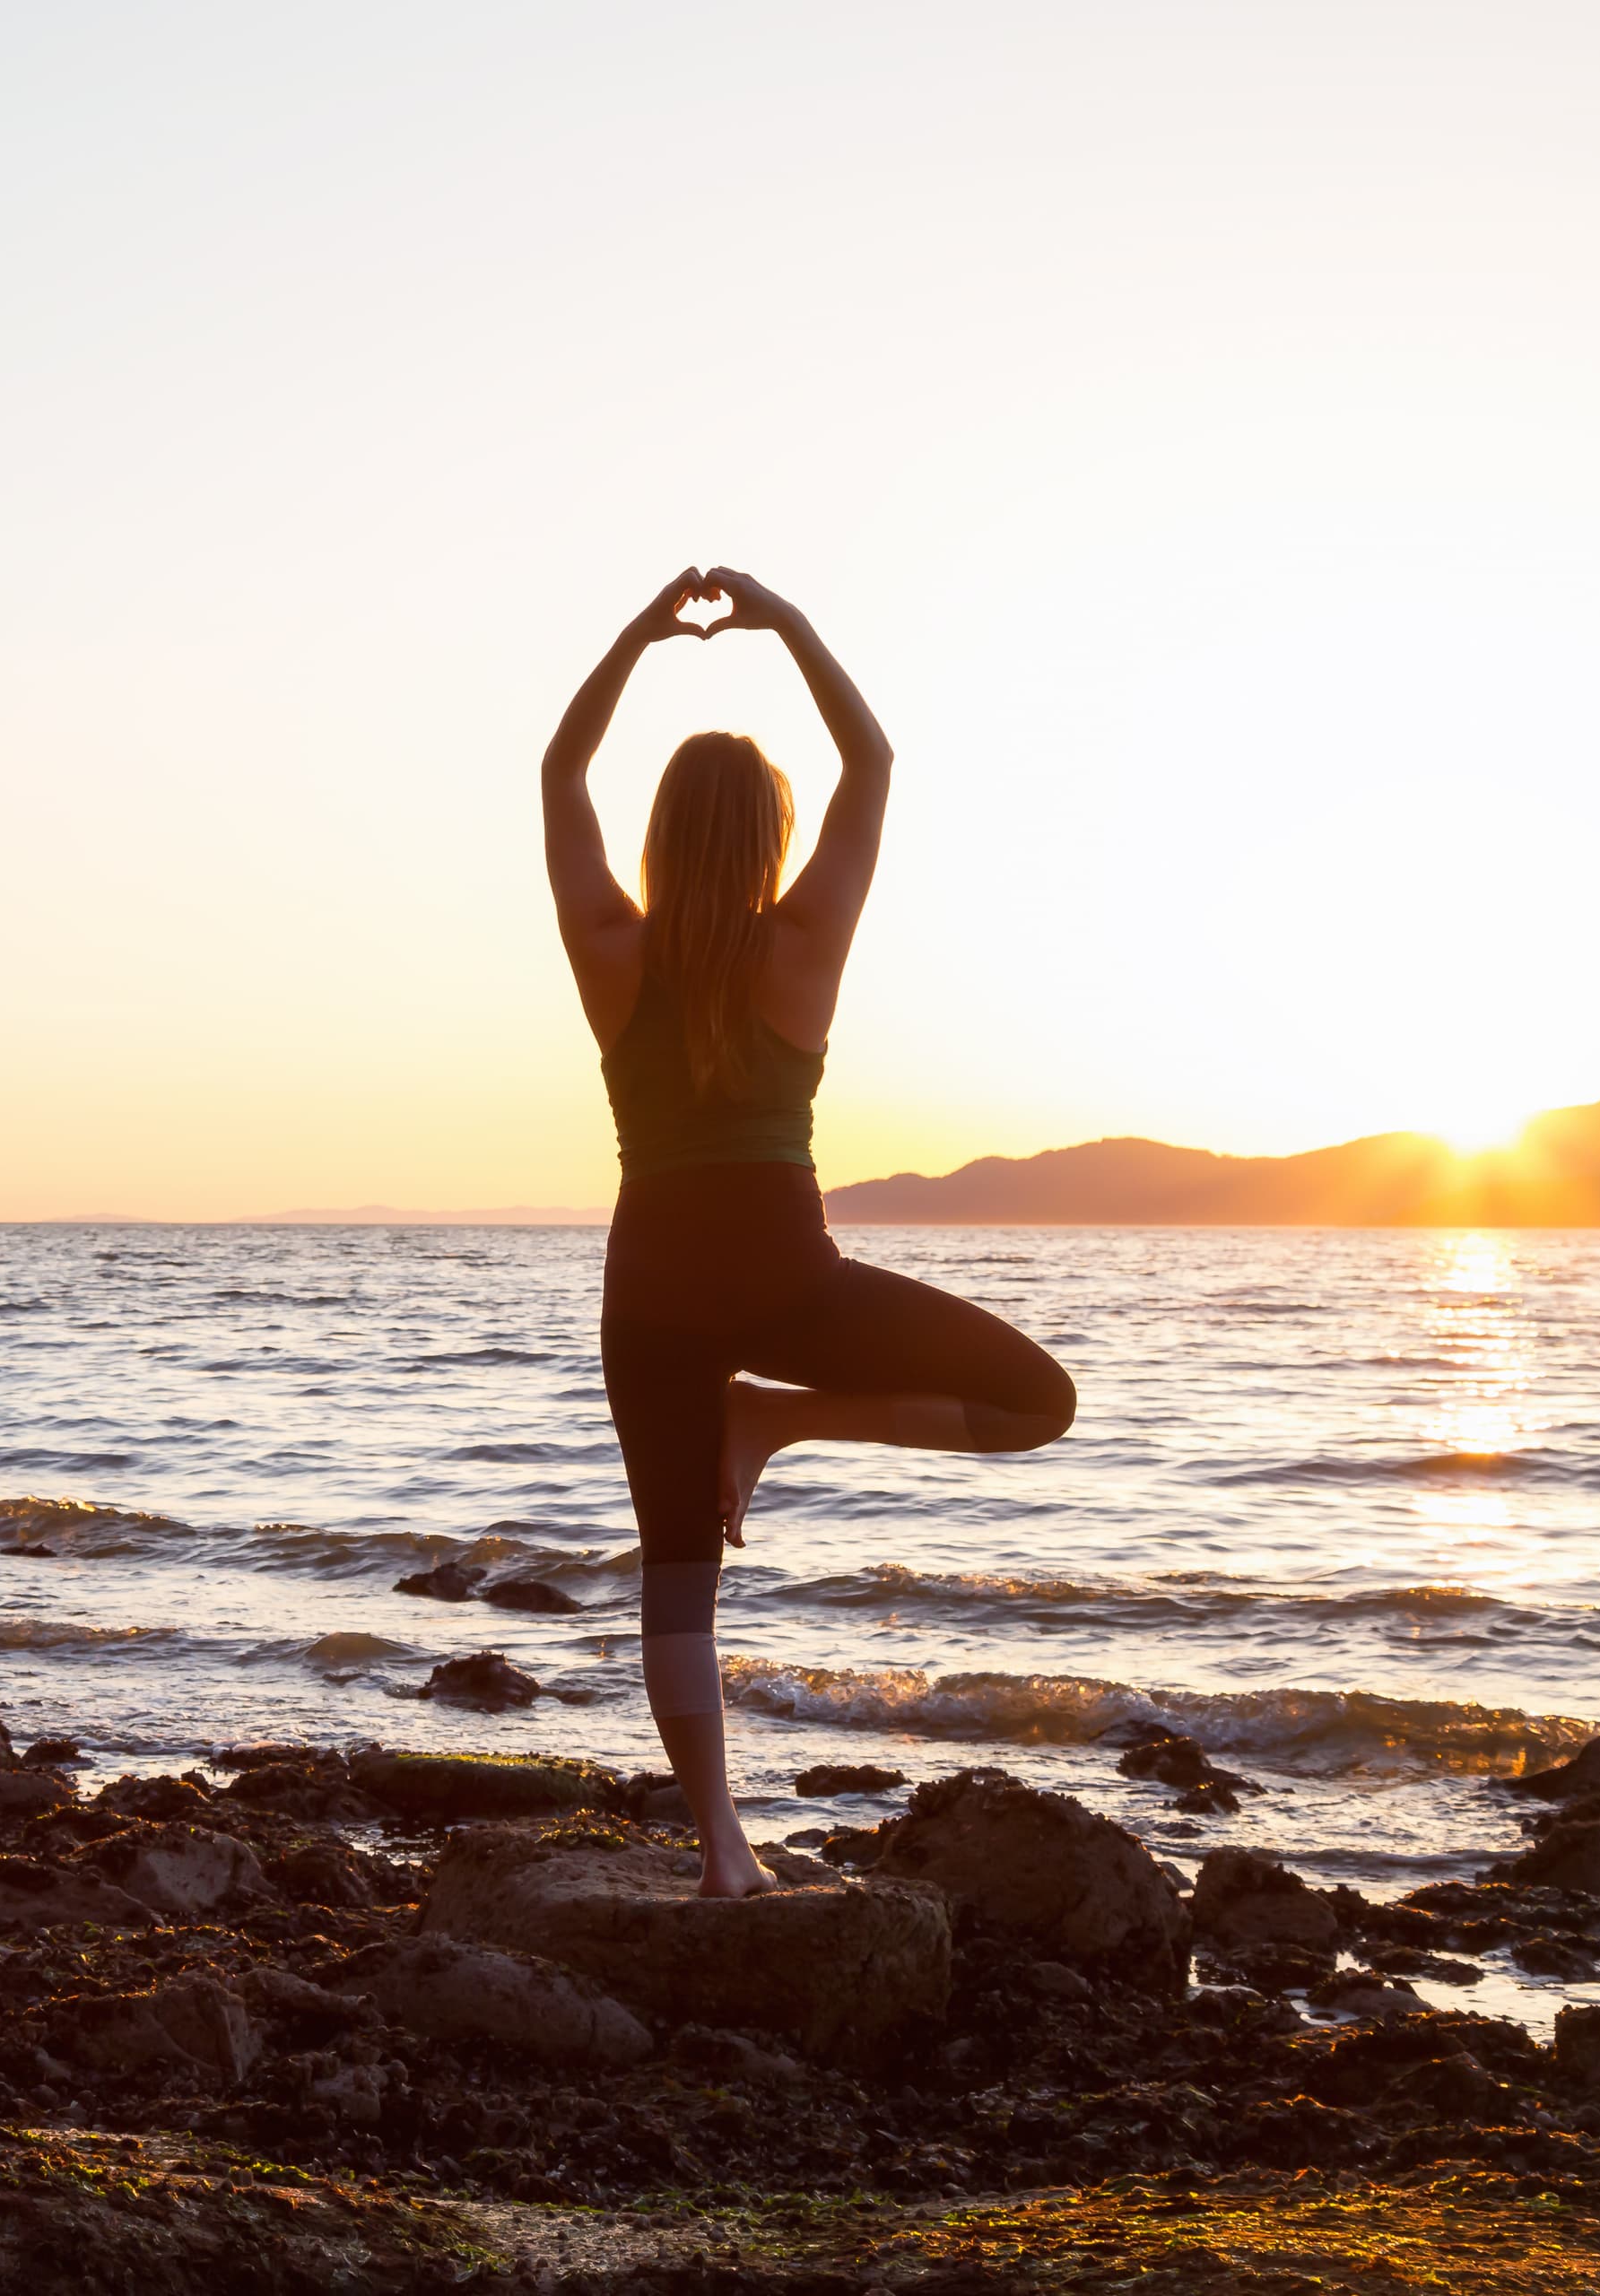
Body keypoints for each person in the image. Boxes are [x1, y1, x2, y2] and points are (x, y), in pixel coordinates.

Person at [543, 566, 1076, 1898]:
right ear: (771, 836)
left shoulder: (612, 947)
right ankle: (779, 1417)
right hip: (787, 1283)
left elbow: (560, 772)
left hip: (652, 1293)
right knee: (1036, 1404)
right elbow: (874, 759)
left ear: (664, 834)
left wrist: (636, 639)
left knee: (677, 1580)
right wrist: (787, 629)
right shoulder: (806, 946)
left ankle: (722, 1846)